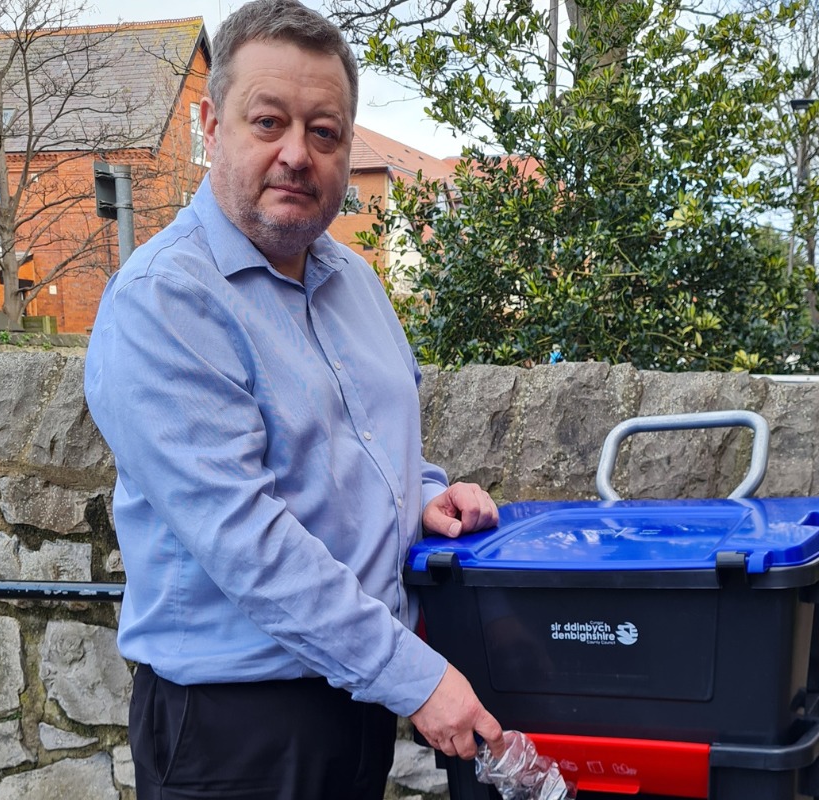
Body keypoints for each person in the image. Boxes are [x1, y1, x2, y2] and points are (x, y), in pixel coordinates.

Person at [83, 2, 504, 798]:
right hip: (233, 731)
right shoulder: (163, 303)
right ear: (211, 126)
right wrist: (416, 678)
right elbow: (249, 541)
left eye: (324, 132)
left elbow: (374, 452)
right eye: (268, 121)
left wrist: (425, 496)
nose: (296, 155)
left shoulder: (358, 286)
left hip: (352, 702)